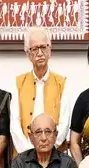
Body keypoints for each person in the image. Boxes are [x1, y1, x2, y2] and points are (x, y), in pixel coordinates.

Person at [10, 27, 72, 155]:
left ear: (50, 50)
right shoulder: (18, 83)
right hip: (24, 156)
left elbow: (64, 123)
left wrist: (48, 149)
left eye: (43, 47)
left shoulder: (62, 83)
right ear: (28, 54)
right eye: (34, 49)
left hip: (55, 154)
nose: (39, 53)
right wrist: (29, 153)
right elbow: (14, 125)